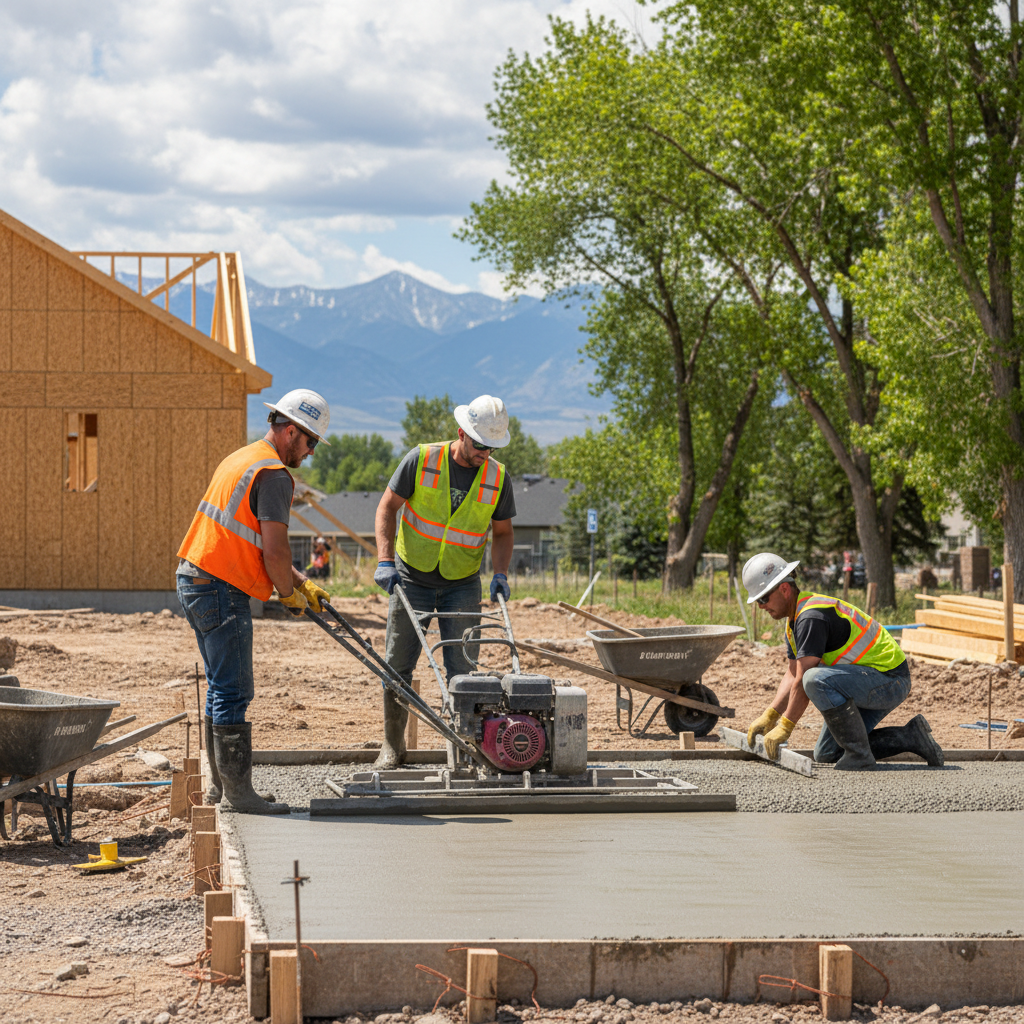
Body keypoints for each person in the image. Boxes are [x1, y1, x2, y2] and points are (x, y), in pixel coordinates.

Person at [176, 389, 333, 813]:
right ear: (290, 431)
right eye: (310, 441)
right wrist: (288, 595)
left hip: (195, 578)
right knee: (234, 689)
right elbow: (275, 552)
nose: (312, 451)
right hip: (221, 587)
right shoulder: (275, 475)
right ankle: (240, 797)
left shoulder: (244, 457)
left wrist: (303, 583)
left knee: (218, 686)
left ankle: (220, 789)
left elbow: (251, 539)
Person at [372, 394, 517, 768]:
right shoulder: (422, 459)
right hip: (410, 576)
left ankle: (464, 750)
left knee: (463, 669)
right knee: (397, 665)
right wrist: (385, 561)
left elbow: (502, 533)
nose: (485, 453)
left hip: (462, 582)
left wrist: (499, 572)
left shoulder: (498, 477)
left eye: (492, 447)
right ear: (461, 434)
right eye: (479, 445)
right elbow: (388, 507)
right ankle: (392, 747)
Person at [742, 552, 943, 771]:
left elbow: (802, 680)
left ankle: (860, 756)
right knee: (827, 753)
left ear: (784, 589)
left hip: (890, 680)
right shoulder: (794, 620)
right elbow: (792, 673)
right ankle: (911, 737)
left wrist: (785, 726)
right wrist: (770, 715)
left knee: (814, 679)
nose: (761, 606)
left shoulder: (811, 616)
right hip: (864, 681)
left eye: (764, 598)